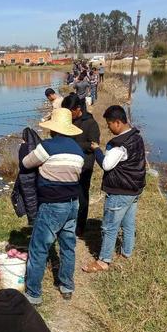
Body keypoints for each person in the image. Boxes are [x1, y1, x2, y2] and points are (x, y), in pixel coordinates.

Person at [22, 108, 84, 305]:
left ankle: (33, 293)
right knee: (68, 246)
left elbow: (26, 163)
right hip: (73, 204)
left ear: (53, 129)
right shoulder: (78, 150)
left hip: (52, 206)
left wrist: (26, 148)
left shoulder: (48, 146)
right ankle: (67, 286)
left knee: (39, 248)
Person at [83, 105, 146, 273]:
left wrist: (97, 150)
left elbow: (106, 165)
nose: (108, 128)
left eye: (109, 124)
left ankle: (103, 261)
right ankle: (127, 252)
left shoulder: (120, 144)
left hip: (120, 190)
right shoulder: (136, 136)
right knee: (128, 223)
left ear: (118, 123)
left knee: (109, 227)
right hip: (134, 189)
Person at [61, 93, 100, 236]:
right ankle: (67, 223)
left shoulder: (91, 123)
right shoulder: (67, 121)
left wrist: (72, 144)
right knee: (67, 194)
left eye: (70, 112)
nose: (69, 115)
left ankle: (81, 227)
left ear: (78, 108)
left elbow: (94, 144)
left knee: (82, 196)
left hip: (85, 165)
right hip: (68, 164)